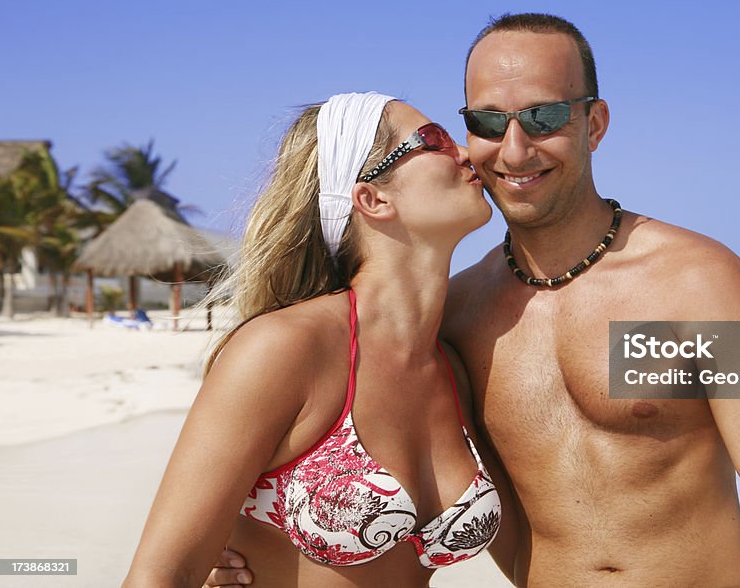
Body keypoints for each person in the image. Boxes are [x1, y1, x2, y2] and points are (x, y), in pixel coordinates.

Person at [206, 15, 740, 587]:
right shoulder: (457, 319)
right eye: (489, 122)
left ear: (595, 122)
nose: (515, 148)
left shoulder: (699, 284)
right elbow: (354, 474)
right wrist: (245, 556)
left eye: (545, 117)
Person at [124, 93, 503, 587]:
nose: (469, 153)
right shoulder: (283, 349)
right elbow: (159, 576)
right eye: (433, 141)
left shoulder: (451, 367)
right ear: (373, 198)